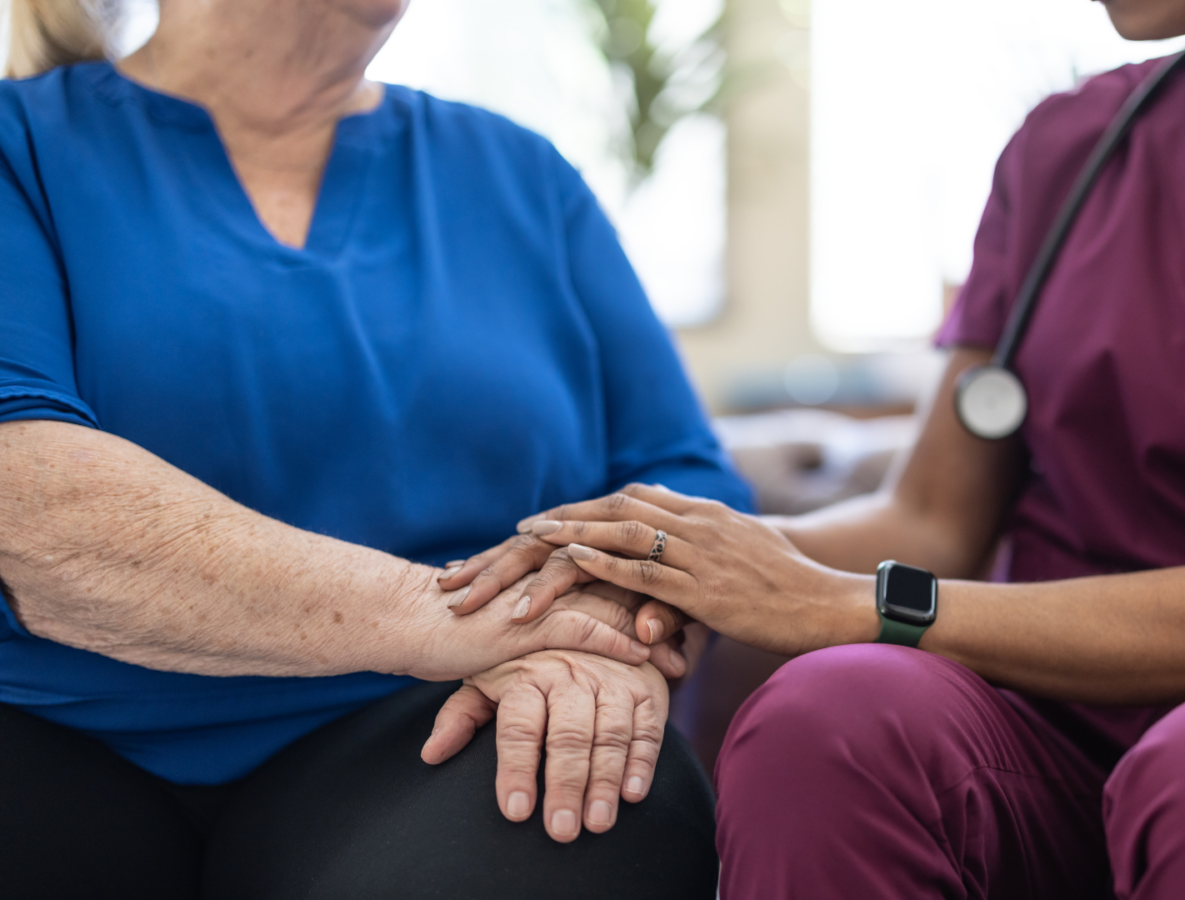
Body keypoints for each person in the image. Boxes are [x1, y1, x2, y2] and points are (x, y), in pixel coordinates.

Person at [446, 0, 1185, 896]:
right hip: (1039, 724)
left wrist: (852, 604)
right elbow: (937, 518)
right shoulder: (1068, 145)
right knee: (830, 715)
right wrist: (688, 561)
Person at [0, 0, 750, 897]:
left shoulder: (522, 177)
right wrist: (469, 621)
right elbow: (26, 494)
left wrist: (608, 622)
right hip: (53, 730)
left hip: (432, 729)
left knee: (591, 811)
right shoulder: (22, 148)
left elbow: (688, 480)